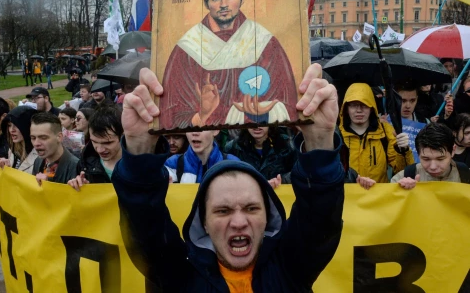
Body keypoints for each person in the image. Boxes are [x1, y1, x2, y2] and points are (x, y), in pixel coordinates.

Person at [111, 64, 344, 292]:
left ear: (268, 217)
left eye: (252, 208)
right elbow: (145, 228)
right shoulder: (180, 276)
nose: (239, 222)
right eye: (222, 211)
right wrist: (140, 148)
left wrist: (321, 140)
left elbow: (319, 217)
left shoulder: (291, 268)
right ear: (203, 222)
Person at [159, 0, 298, 129]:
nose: (223, 4)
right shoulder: (187, 48)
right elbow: (171, 114)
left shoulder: (263, 42)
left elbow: (287, 102)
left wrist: (261, 113)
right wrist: (201, 115)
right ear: (206, 4)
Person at [340, 83, 414, 184]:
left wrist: (403, 150)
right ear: (346, 108)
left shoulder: (385, 131)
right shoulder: (336, 135)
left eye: (364, 105)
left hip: (378, 197)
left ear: (372, 108)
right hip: (348, 198)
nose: (359, 110)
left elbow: (402, 172)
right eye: (353, 105)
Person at [391, 123, 470, 188]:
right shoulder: (404, 176)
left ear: (453, 151)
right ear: (418, 154)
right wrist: (399, 192)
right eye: (426, 159)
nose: (433, 167)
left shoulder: (466, 175)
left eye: (440, 159)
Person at [68, 107, 123, 190]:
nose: (100, 150)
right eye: (94, 141)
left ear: (122, 136)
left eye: (108, 143)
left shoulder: (141, 163)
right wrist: (77, 186)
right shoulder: (85, 164)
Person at [224, 126, 297, 182]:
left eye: (262, 118)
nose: (257, 126)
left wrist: (280, 180)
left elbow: (298, 173)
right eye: (252, 119)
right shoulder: (233, 147)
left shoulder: (287, 145)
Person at [164, 130, 240, 183]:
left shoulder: (233, 164)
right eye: (190, 127)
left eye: (201, 127)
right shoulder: (172, 164)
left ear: (215, 130)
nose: (194, 133)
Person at [30, 113, 79, 185]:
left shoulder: (76, 167)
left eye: (43, 138)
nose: (36, 143)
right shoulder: (38, 161)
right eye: (33, 138)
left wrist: (48, 185)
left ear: (59, 137)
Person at [0, 106, 39, 174]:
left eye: (17, 125)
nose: (11, 130)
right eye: (9, 125)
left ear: (28, 126)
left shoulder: (41, 154)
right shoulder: (12, 149)